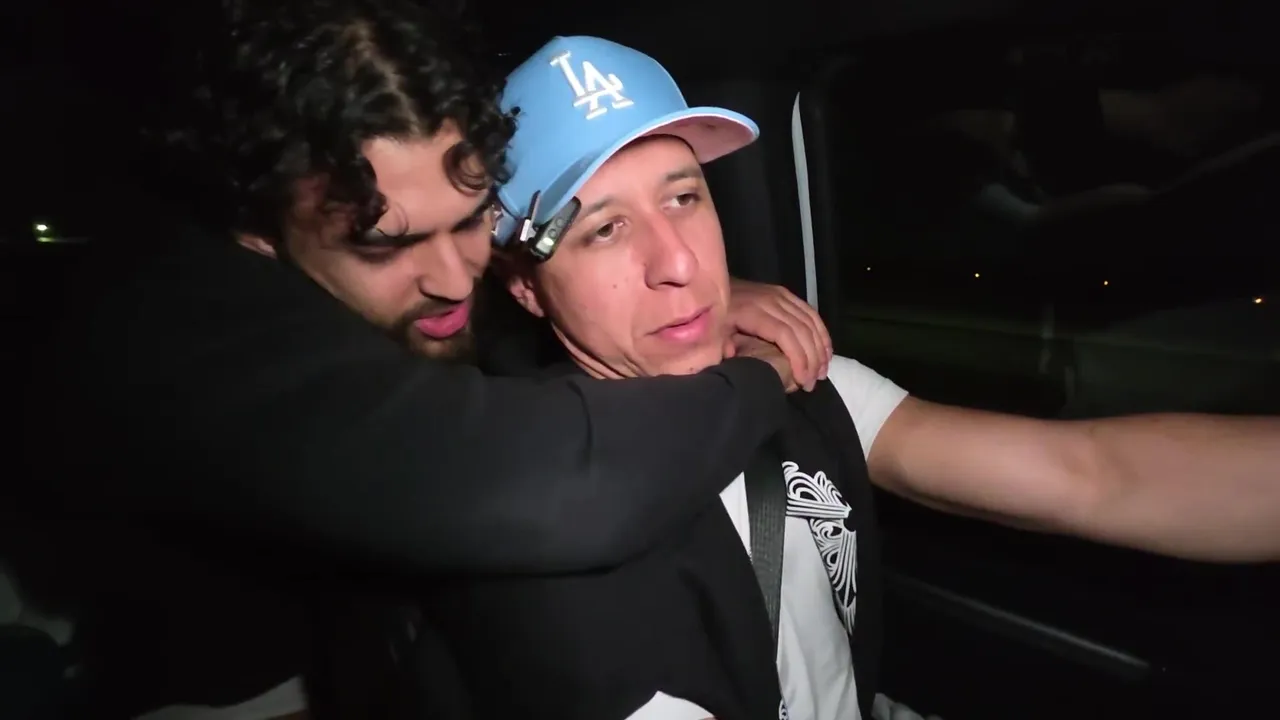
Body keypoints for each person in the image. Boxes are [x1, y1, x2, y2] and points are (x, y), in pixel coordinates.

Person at [12, 1, 835, 718]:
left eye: (473, 219)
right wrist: (762, 371)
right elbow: (547, 485)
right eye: (385, 242)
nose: (454, 278)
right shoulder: (175, 337)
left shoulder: (442, 279)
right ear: (259, 236)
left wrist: (700, 300)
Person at [420, 35, 1280, 720]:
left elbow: (1093, 476)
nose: (678, 263)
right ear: (524, 285)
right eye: (605, 230)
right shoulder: (543, 538)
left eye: (683, 197)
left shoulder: (791, 377)